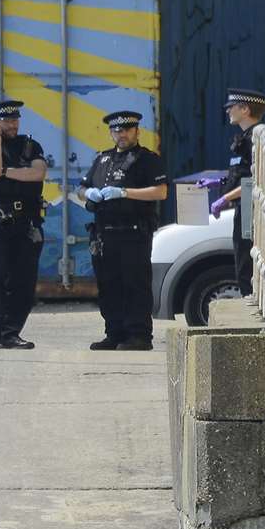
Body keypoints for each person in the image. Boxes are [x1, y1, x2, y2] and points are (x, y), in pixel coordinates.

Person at [81, 109, 169, 351]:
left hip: (132, 233)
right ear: (111, 133)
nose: (122, 134)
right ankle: (114, 333)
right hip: (104, 233)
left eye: (127, 129)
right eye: (117, 130)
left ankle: (139, 335)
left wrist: (125, 192)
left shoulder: (147, 159)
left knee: (135, 285)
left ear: (137, 131)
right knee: (109, 286)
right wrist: (87, 194)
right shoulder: (102, 159)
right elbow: (82, 188)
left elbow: (161, 191)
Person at [0, 99, 48, 350]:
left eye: (15, 119)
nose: (13, 124)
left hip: (25, 223)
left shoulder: (30, 146)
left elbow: (37, 173)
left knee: (23, 281)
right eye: (6, 120)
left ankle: (11, 333)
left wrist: (5, 172)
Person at [208, 88, 265, 304]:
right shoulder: (246, 137)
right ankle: (250, 297)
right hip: (244, 204)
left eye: (231, 107)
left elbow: (256, 180)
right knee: (243, 254)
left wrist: (224, 198)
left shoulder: (257, 138)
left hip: (251, 207)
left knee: (248, 256)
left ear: (245, 109)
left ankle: (252, 299)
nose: (228, 112)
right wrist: (222, 182)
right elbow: (242, 173)